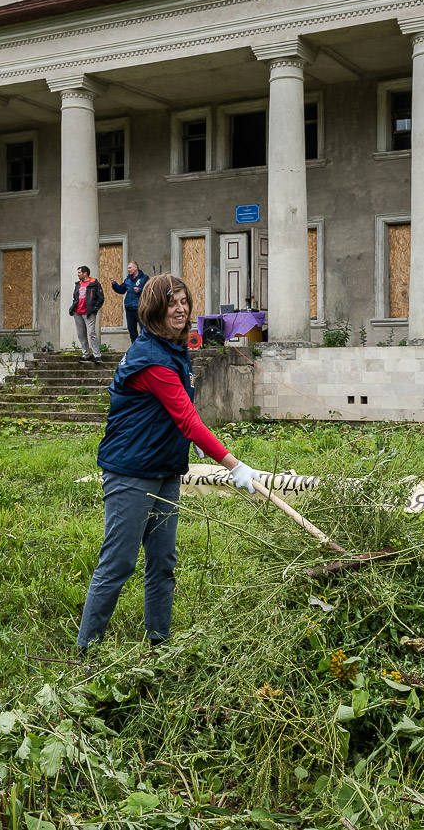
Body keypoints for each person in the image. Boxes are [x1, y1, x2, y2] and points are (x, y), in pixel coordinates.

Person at [77, 272, 262, 651]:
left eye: (184, 301)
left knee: (163, 563)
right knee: (118, 564)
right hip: (131, 471)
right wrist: (234, 465)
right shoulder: (150, 358)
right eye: (171, 303)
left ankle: (158, 643)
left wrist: (187, 442)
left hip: (165, 468)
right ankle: (86, 650)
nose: (180, 309)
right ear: (154, 309)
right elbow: (187, 418)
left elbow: (177, 409)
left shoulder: (174, 350)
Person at [68, 265, 105, 364]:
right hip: (78, 312)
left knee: (91, 333)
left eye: (79, 272)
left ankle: (97, 356)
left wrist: (95, 309)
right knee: (81, 334)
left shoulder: (94, 283)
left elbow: (101, 298)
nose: (78, 274)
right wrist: (73, 307)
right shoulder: (78, 284)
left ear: (85, 273)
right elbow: (75, 297)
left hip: (89, 312)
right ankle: (86, 355)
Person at [111, 260, 149, 343]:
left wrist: (139, 290)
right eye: (128, 268)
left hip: (139, 307)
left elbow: (149, 291)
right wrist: (115, 285)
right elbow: (121, 290)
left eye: (130, 268)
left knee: (144, 329)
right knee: (132, 330)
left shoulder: (144, 278)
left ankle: (144, 347)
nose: (128, 270)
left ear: (135, 268)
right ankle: (135, 349)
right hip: (129, 308)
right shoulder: (128, 279)